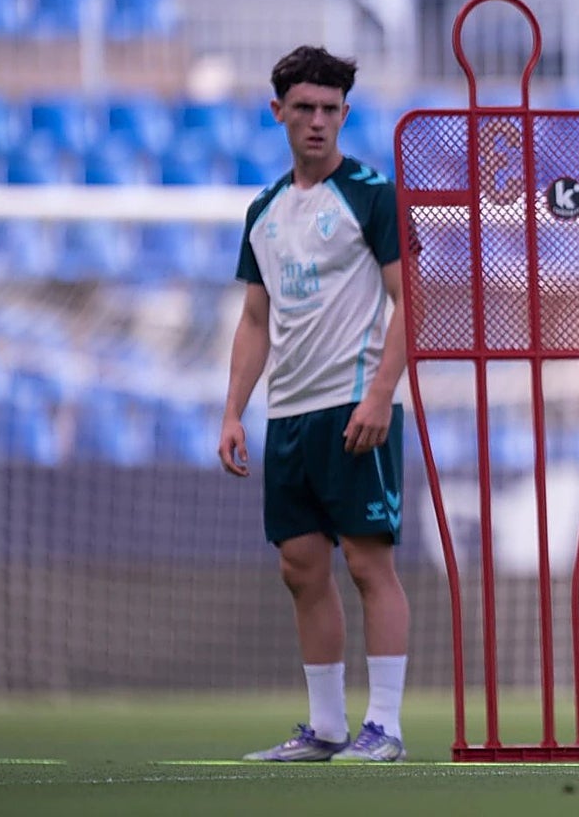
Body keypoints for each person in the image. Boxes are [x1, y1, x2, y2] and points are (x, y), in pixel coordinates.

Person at [218, 45, 411, 763]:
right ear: (279, 113)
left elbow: (409, 301)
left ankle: (384, 726)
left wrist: (382, 393)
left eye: (331, 109)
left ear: (345, 115)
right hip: (290, 416)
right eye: (304, 107)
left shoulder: (371, 195)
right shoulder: (263, 211)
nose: (318, 121)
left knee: (369, 563)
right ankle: (327, 726)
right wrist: (235, 411)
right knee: (300, 565)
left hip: (355, 405)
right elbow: (255, 321)